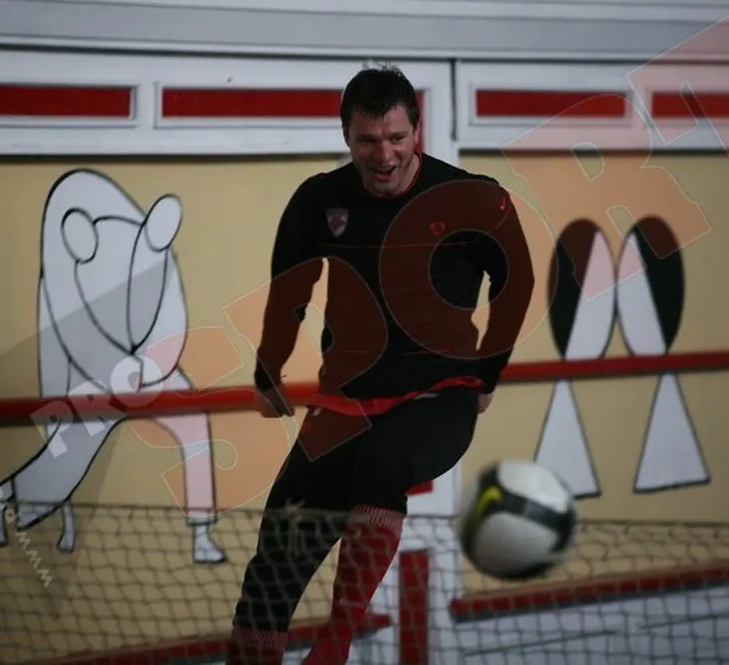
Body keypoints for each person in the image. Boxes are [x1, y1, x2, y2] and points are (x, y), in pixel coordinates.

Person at [225, 65, 535, 665]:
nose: (384, 155)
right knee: (272, 568)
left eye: (396, 138)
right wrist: (269, 370)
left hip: (440, 391)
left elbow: (515, 284)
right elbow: (289, 290)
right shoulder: (318, 200)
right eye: (368, 140)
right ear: (346, 136)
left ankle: (336, 644)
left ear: (417, 130)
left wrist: (488, 374)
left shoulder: (475, 198)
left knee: (383, 463)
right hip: (345, 401)